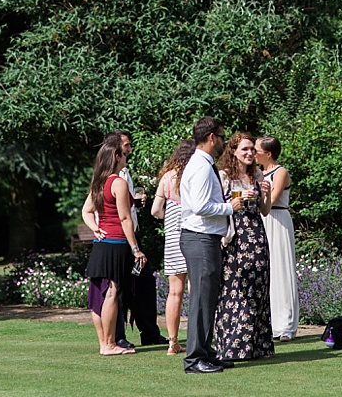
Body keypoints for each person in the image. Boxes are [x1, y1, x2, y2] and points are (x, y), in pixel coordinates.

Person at [179, 117, 245, 374]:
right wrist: (231, 207)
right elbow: (199, 206)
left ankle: (205, 352)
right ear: (210, 138)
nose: (224, 142)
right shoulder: (202, 166)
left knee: (208, 298)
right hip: (199, 237)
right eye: (221, 137)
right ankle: (195, 358)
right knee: (201, 299)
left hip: (204, 237)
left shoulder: (202, 164)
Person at [214, 132, 275, 361]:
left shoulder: (257, 174)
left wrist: (265, 195)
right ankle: (233, 346)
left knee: (258, 289)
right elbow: (217, 206)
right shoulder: (223, 176)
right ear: (233, 152)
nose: (250, 153)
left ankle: (258, 346)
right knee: (235, 289)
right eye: (245, 150)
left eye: (252, 149)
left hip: (257, 236)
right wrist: (235, 202)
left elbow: (265, 210)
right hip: (235, 236)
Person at [104, 130, 168, 349]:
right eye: (126, 145)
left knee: (145, 282)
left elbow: (125, 210)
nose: (129, 149)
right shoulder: (108, 176)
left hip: (132, 234)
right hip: (120, 239)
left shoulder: (125, 173)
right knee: (120, 288)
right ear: (115, 148)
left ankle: (149, 331)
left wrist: (135, 205)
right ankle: (118, 335)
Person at [81, 140, 146, 356]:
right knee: (112, 292)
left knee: (99, 293)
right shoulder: (118, 183)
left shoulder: (98, 183)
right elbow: (125, 218)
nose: (126, 156)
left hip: (101, 244)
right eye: (124, 154)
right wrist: (135, 248)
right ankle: (109, 344)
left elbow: (86, 211)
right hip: (116, 243)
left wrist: (95, 229)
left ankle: (103, 343)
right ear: (116, 157)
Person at [150, 139, 196, 355]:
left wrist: (169, 217)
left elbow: (155, 210)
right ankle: (198, 337)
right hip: (193, 234)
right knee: (195, 290)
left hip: (172, 238)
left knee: (174, 293)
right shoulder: (194, 175)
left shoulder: (167, 178)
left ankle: (173, 342)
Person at [255, 135, 300, 342]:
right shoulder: (256, 173)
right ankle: (267, 322)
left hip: (278, 219)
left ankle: (286, 324)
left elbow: (272, 200)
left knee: (281, 268)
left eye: (257, 151)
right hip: (262, 221)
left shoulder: (280, 172)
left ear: (268, 154)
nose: (254, 154)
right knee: (265, 271)